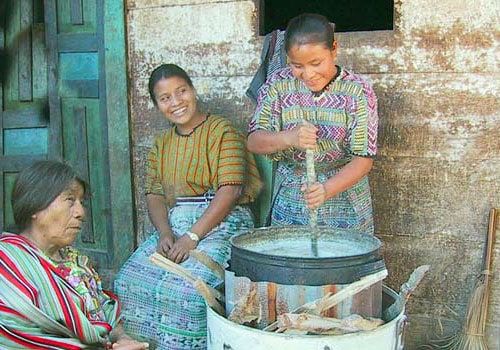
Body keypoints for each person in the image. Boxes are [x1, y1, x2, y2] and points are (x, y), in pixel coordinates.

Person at [114, 64, 261, 349]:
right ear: (157, 105)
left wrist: (192, 237)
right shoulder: (162, 143)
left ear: (193, 90)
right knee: (127, 282)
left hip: (222, 224)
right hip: (176, 224)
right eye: (165, 97)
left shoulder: (222, 130)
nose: (176, 102)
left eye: (181, 91)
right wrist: (164, 233)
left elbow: (230, 190)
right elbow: (154, 193)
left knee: (188, 292)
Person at [247, 13, 379, 234]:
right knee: (292, 261)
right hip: (292, 195)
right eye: (297, 65)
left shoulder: (357, 91)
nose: (308, 74)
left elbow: (363, 160)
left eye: (316, 63)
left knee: (342, 262)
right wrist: (288, 137)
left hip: (346, 196)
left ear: (334, 49)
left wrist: (326, 190)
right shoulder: (277, 85)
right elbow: (253, 141)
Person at [0, 160, 149, 350]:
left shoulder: (78, 262)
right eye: (70, 200)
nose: (81, 213)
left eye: (81, 202)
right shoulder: (7, 265)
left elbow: (105, 314)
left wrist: (123, 339)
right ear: (35, 205)